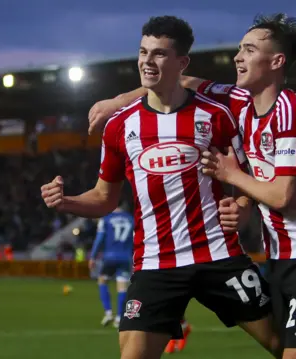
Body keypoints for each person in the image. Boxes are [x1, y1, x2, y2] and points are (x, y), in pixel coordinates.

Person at [88, 13, 296, 359]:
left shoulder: (290, 110)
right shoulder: (239, 102)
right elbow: (185, 81)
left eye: (249, 50)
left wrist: (231, 176)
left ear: (276, 61)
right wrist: (119, 100)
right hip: (280, 256)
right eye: (239, 48)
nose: (237, 57)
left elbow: (285, 196)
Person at [42, 16, 279, 359]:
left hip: (218, 256)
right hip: (156, 264)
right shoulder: (120, 126)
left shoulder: (216, 116)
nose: (146, 62)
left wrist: (242, 206)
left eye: (158, 54)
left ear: (181, 63)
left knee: (287, 347)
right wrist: (66, 201)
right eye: (142, 52)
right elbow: (104, 198)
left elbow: (247, 181)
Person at [88, 205, 135, 328]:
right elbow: (137, 239)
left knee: (102, 280)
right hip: (125, 257)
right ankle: (119, 317)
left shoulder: (106, 219)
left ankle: (108, 312)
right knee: (122, 287)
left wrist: (92, 257)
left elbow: (99, 239)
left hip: (109, 257)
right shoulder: (131, 219)